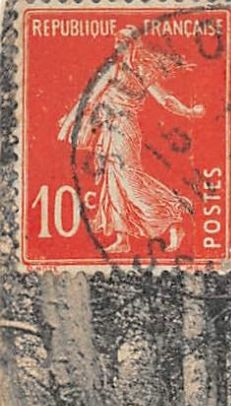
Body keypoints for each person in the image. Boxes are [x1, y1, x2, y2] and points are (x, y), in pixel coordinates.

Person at [57, 27, 202, 255]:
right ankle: (121, 237)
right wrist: (73, 122)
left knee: (129, 180)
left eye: (124, 42)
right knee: (111, 181)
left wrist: (189, 111)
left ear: (135, 44)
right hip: (109, 129)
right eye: (118, 42)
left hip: (125, 128)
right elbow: (91, 97)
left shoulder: (142, 71)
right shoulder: (114, 69)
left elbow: (165, 99)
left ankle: (174, 215)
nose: (120, 46)